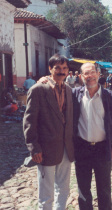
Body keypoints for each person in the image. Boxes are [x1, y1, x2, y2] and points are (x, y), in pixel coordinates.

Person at [23, 54, 74, 210]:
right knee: (46, 193)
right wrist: (34, 147)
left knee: (64, 188)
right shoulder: (38, 89)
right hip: (45, 149)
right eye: (57, 68)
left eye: (64, 68)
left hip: (66, 148)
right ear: (50, 69)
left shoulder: (69, 90)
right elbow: (29, 121)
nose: (61, 71)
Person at [72, 62, 112, 210]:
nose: (90, 76)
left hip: (102, 148)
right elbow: (58, 89)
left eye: (92, 72)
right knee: (83, 190)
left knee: (104, 190)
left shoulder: (108, 96)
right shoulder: (75, 94)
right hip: (82, 148)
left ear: (99, 74)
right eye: (86, 73)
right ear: (81, 76)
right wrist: (46, 79)